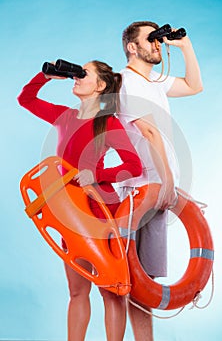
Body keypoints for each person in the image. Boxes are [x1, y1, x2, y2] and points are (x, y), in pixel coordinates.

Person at [17, 60, 142, 341]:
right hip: (69, 212)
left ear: (100, 86)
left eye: (83, 74)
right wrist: (45, 76)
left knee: (110, 291)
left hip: (99, 211)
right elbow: (25, 99)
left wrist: (96, 173)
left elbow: (133, 166)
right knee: (77, 292)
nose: (76, 77)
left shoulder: (109, 123)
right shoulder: (65, 117)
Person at [117, 21, 203, 340]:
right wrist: (168, 182)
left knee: (147, 279)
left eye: (158, 40)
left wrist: (185, 47)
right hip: (141, 189)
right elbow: (148, 131)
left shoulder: (153, 80)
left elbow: (194, 86)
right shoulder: (125, 81)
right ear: (132, 47)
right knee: (135, 282)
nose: (157, 45)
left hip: (160, 189)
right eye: (150, 39)